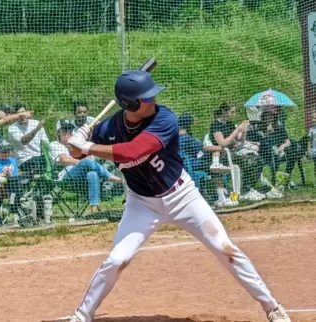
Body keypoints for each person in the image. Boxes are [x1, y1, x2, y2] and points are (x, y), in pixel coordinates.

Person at [65, 70, 291, 322]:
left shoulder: (165, 119)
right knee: (118, 259)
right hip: (141, 203)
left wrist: (85, 146)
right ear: (130, 104)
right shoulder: (108, 128)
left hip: (183, 196)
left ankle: (272, 308)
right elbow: (76, 155)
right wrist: (77, 141)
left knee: (225, 248)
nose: (154, 100)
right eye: (147, 98)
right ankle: (82, 315)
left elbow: (132, 151)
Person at [49, 119, 122, 214]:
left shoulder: (76, 145)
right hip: (66, 177)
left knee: (92, 174)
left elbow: (89, 157)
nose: (68, 133)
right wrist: (81, 162)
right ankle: (110, 176)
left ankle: (94, 210)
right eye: (64, 130)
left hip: (82, 178)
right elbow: (64, 160)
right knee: (87, 161)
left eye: (70, 130)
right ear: (58, 133)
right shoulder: (55, 144)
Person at [8, 104, 49, 176]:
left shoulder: (36, 123)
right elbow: (24, 141)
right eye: (19, 114)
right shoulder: (12, 128)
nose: (22, 116)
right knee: (37, 162)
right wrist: (36, 129)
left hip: (40, 157)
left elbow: (45, 142)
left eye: (23, 112)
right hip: (24, 160)